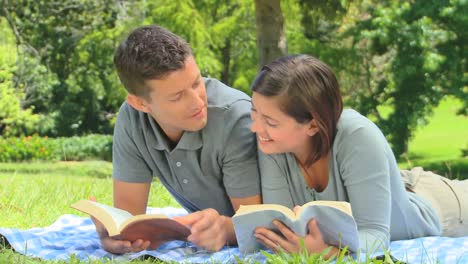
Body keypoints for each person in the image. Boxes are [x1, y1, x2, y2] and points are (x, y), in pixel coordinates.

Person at [249, 54, 468, 257]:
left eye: (270, 122)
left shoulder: (358, 136)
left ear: (313, 125)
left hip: (444, 209)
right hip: (392, 185)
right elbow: (283, 227)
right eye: (254, 112)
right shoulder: (271, 144)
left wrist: (325, 252)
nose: (255, 127)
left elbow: (375, 236)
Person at [93, 25, 261, 254]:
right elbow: (129, 219)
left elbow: (253, 222)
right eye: (177, 96)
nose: (197, 102)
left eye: (196, 83)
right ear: (140, 104)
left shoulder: (234, 117)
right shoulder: (132, 118)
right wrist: (117, 236)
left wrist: (226, 230)